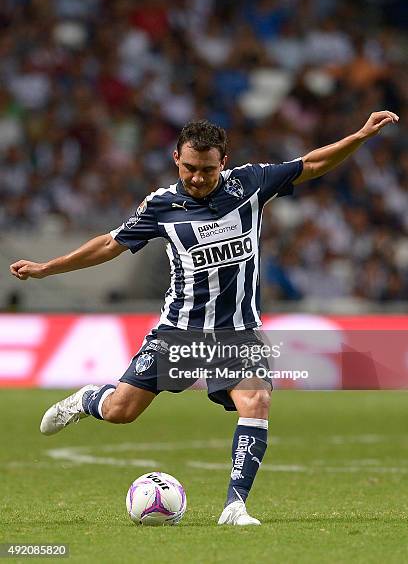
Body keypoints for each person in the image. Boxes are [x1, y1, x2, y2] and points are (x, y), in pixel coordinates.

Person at [10, 112, 398, 525]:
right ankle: (88, 399)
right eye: (190, 168)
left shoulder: (250, 184)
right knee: (122, 411)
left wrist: (358, 135)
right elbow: (109, 244)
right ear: (176, 158)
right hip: (179, 331)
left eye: (208, 170)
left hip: (238, 332)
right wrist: (46, 268)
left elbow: (312, 164)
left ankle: (235, 506)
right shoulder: (160, 206)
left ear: (223, 162)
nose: (198, 178)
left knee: (257, 400)